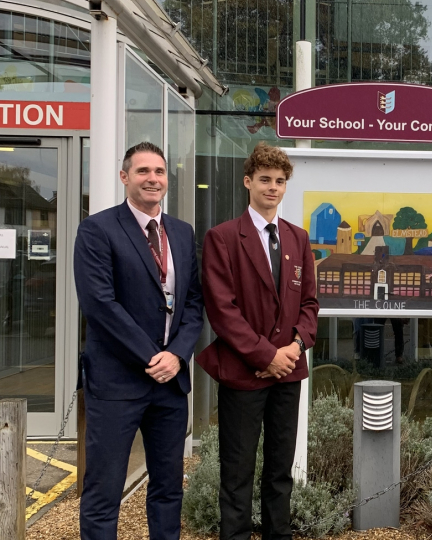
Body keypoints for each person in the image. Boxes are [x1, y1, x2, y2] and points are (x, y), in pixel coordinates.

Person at [74, 142, 204, 539]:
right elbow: (100, 304)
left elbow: (194, 303)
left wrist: (178, 356)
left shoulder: (181, 233)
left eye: (160, 172)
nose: (153, 179)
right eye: (143, 171)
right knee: (103, 492)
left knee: (168, 489)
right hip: (117, 384)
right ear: (124, 177)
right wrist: (155, 356)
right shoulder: (97, 229)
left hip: (170, 386)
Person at [197, 142, 318, 540]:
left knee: (280, 470)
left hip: (288, 373)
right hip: (244, 373)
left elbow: (310, 304)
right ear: (248, 182)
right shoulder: (223, 237)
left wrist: (295, 349)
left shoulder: (298, 239)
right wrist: (266, 355)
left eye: (280, 181)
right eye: (264, 179)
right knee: (237, 470)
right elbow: (222, 310)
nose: (272, 187)